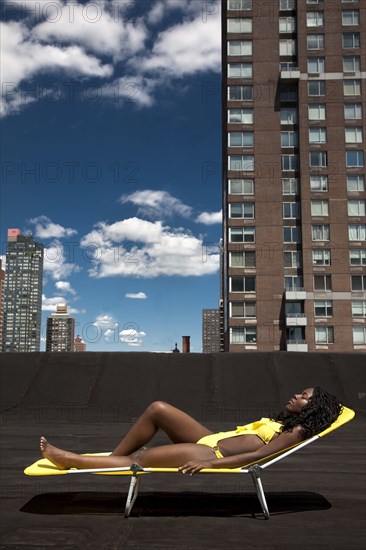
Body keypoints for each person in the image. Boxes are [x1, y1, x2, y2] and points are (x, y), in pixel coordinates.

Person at [40, 387, 342, 474]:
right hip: (208, 439)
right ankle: (111, 463)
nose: (296, 396)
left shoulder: (298, 430)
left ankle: (72, 460)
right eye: (300, 392)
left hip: (211, 451)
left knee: (143, 458)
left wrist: (209, 463)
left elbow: (256, 457)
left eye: (304, 397)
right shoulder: (286, 422)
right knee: (158, 407)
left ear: (313, 409)